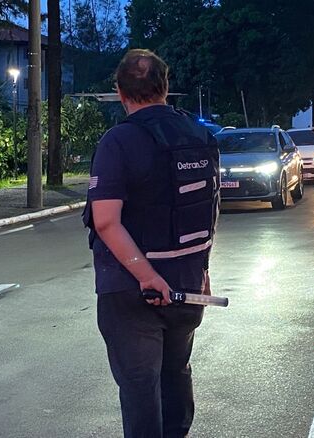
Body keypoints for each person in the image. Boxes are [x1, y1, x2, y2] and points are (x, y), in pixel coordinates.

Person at [83, 49, 220, 438]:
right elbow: (208, 208)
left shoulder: (118, 142)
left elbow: (105, 221)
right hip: (187, 285)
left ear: (120, 92)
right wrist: (203, 269)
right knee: (176, 376)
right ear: (165, 86)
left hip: (132, 292)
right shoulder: (200, 135)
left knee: (141, 388)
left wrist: (146, 277)